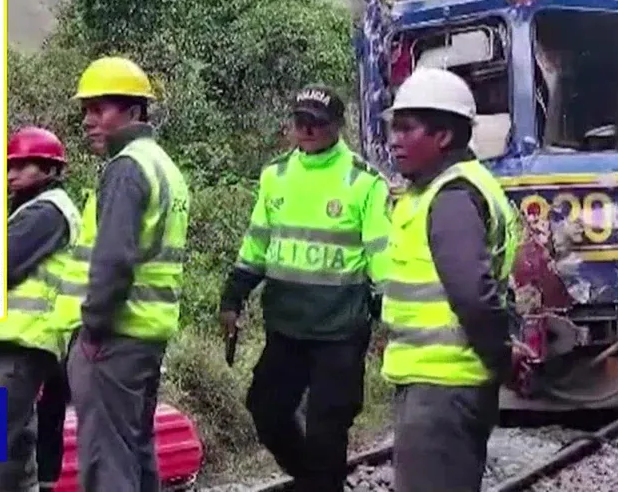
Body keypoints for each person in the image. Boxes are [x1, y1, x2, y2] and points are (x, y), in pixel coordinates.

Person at [218, 85, 390, 492]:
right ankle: (315, 479)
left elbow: (382, 256)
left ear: (337, 125)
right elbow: (256, 245)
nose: (308, 129)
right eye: (301, 121)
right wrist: (233, 297)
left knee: (328, 427)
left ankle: (320, 482)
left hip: (340, 330)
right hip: (286, 327)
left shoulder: (364, 182)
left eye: (317, 122)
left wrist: (391, 317)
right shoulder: (275, 176)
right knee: (266, 410)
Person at [50, 56, 191, 492]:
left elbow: (114, 260)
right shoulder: (163, 166)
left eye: (99, 109)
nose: (88, 121)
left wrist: (92, 331)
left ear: (133, 111)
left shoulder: (126, 168)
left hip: (113, 339)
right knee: (136, 453)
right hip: (147, 336)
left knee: (106, 462)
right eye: (86, 110)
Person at [377, 66, 521, 492]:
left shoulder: (452, 197)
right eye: (394, 128)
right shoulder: (439, 190)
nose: (394, 140)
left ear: (443, 136)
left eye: (407, 128)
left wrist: (501, 358)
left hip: (443, 387)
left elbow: (473, 294)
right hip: (439, 384)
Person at [0, 127, 81, 492]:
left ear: (50, 169)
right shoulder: (28, 211)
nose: (11, 175)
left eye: (22, 166)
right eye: (9, 166)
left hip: (18, 348)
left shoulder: (47, 211)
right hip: (11, 349)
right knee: (16, 461)